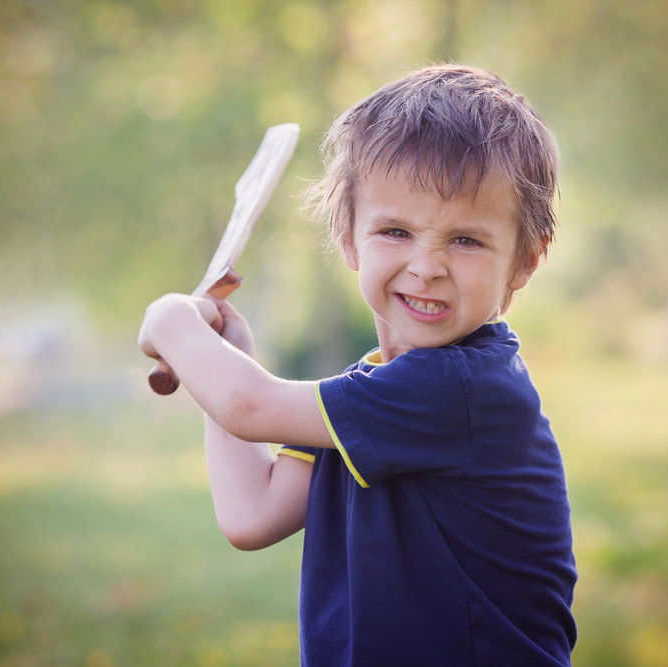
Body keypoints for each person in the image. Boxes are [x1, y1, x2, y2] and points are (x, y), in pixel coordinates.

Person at [138, 64, 577, 666]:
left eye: (466, 240)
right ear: (348, 235)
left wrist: (169, 319)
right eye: (396, 231)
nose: (427, 266)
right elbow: (251, 513)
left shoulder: (463, 389)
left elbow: (250, 405)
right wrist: (226, 357)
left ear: (525, 260)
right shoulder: (366, 393)